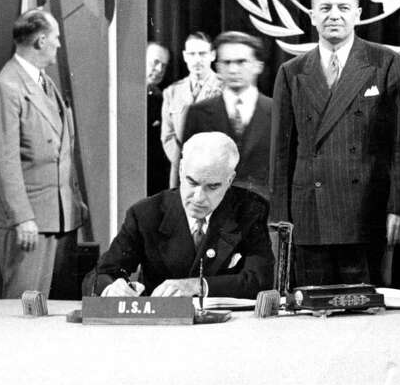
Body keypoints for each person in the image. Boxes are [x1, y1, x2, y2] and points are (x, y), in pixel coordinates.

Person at [270, 0, 400, 286]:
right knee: (313, 314)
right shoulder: (291, 72)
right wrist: (281, 218)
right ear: (311, 15)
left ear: (358, 14)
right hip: (309, 214)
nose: (334, 15)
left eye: (343, 7)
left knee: (364, 314)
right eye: (325, 8)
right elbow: (281, 153)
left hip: (366, 213)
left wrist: (398, 208)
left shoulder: (385, 63)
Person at [0, 8, 88, 299]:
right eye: (56, 38)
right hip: (30, 222)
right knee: (24, 307)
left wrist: (75, 203)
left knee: (55, 310)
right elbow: (4, 160)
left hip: (60, 217)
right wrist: (22, 218)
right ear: (41, 41)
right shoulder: (7, 86)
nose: (59, 44)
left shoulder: (44, 82)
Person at [94, 132, 272, 299]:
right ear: (180, 170)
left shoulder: (250, 209)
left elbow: (260, 280)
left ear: (230, 180)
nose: (199, 197)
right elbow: (102, 274)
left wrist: (197, 286)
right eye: (192, 182)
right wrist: (112, 288)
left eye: (212, 187)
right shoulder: (145, 214)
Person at [183, 31, 271, 203]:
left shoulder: (278, 112)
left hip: (264, 217)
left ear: (258, 65)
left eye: (241, 62)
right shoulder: (198, 113)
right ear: (218, 67)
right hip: (213, 216)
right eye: (227, 62)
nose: (233, 69)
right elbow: (187, 174)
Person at [160, 31, 223, 187]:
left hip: (215, 172)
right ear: (185, 56)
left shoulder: (226, 89)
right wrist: (184, 161)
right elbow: (167, 136)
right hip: (181, 172)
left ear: (213, 55)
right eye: (192, 54)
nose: (197, 60)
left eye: (202, 53)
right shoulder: (172, 92)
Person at [146, 42, 171, 195]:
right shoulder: (125, 95)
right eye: (155, 63)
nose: (160, 70)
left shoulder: (160, 97)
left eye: (164, 65)